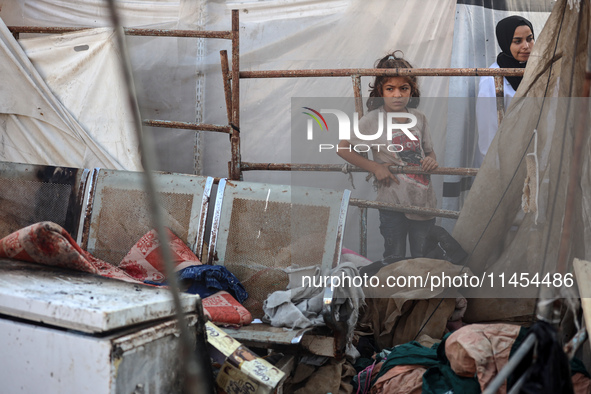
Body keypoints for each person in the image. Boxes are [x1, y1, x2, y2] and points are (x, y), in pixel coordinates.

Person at [337, 52, 438, 260]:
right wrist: (375, 167)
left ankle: (421, 293)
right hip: (391, 201)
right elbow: (343, 148)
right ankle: (394, 292)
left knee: (423, 256)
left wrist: (431, 160)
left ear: (412, 90)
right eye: (390, 89)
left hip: (422, 200)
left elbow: (429, 152)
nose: (397, 95)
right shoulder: (373, 120)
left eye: (404, 88)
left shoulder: (420, 118)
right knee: (394, 257)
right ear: (381, 92)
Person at [476, 16, 535, 162]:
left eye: (530, 39)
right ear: (505, 41)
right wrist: (494, 169)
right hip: (507, 159)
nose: (526, 46)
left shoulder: (538, 70)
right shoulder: (492, 78)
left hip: (535, 153)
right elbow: (489, 130)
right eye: (517, 41)